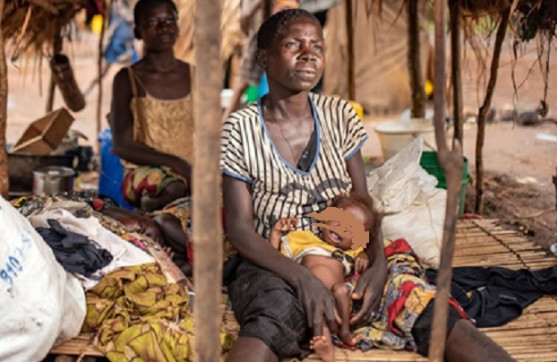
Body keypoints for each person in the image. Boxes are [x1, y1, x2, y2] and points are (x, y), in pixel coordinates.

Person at [220, 9, 514, 361]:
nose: (308, 53)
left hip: (351, 251)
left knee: (424, 306)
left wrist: (378, 266)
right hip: (278, 260)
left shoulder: (339, 115)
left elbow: (364, 203)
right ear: (264, 58)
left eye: (317, 45)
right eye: (292, 44)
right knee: (271, 318)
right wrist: (302, 278)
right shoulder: (239, 130)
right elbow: (239, 228)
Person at [268, 192, 377, 360]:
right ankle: (326, 346)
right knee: (320, 313)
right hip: (309, 293)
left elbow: (363, 256)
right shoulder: (303, 239)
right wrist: (275, 234)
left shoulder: (351, 251)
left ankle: (345, 331)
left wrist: (364, 255)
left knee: (341, 290)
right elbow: (275, 259)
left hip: (337, 299)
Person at [109, 0, 194, 212]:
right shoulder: (127, 79)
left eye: (169, 20)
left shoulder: (196, 76)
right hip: (144, 171)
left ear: (177, 25)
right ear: (138, 31)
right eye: (152, 22)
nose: (163, 27)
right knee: (174, 186)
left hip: (193, 170)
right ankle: (152, 210)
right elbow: (122, 145)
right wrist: (178, 164)